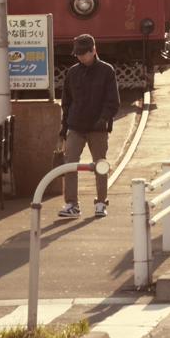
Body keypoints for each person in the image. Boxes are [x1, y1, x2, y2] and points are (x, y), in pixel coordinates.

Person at [58, 34, 120, 219]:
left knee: (100, 164)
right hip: (76, 126)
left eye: (84, 54)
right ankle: (71, 204)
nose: (80, 57)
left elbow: (113, 102)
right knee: (70, 163)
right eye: (77, 54)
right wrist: (63, 129)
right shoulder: (72, 72)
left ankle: (101, 202)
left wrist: (103, 119)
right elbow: (66, 102)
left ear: (94, 51)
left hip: (98, 128)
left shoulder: (107, 71)